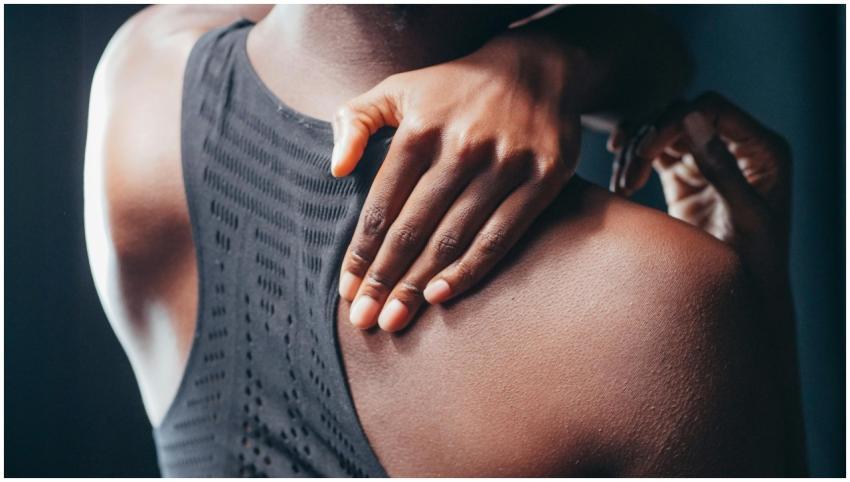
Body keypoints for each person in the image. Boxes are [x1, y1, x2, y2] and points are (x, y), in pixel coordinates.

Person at [83, 4, 803, 477]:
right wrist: (758, 299)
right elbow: (659, 57)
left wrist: (559, 63)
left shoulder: (140, 79)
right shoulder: (652, 302)